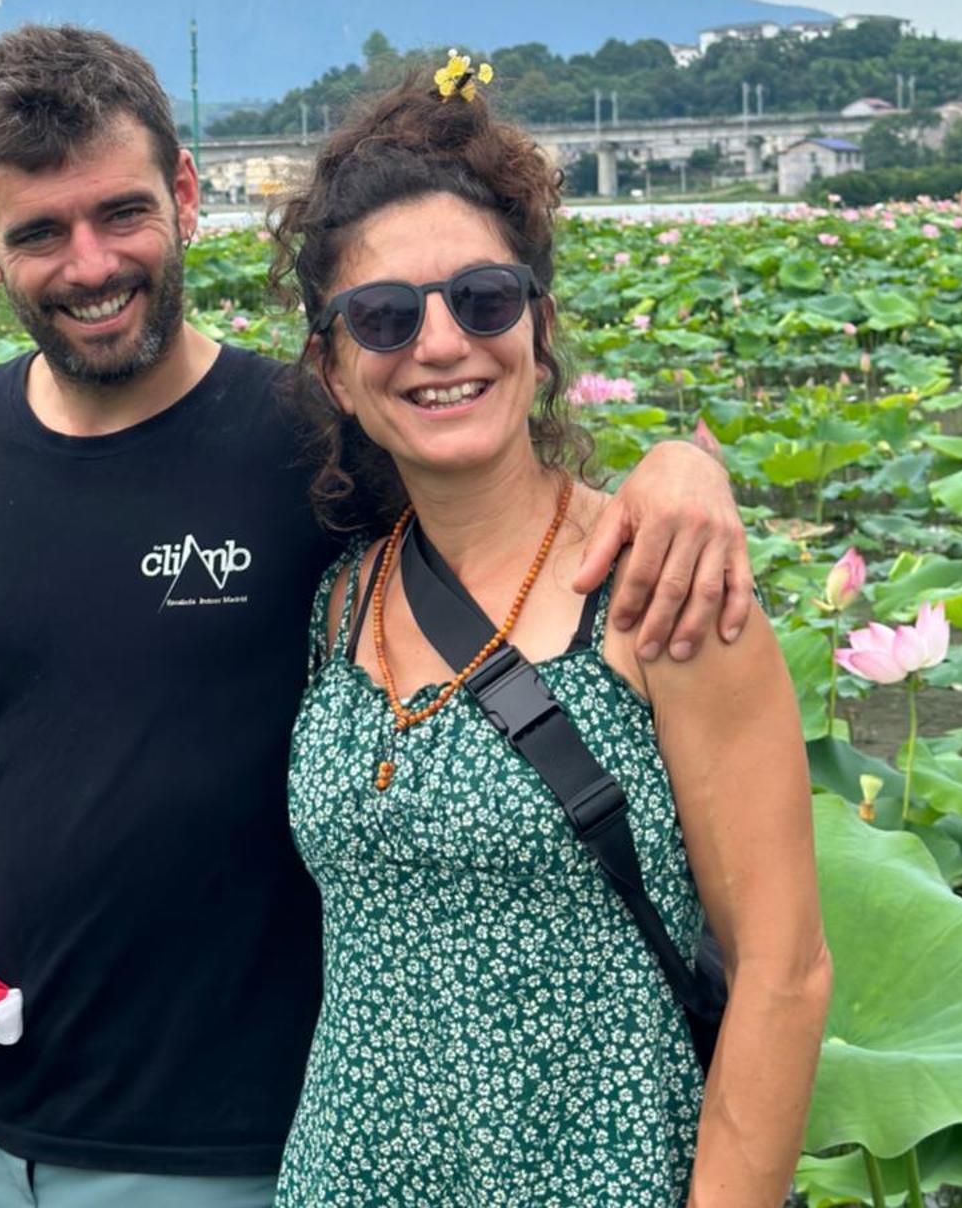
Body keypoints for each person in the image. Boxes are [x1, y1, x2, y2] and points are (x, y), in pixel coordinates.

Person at [0, 24, 758, 1207]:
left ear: (187, 193)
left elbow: (490, 449)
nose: (90, 263)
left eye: (121, 212)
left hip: (228, 1145)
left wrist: (676, 470)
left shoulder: (320, 438)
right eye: (40, 230)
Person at [269, 66, 829, 1208]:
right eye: (382, 314)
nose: (439, 342)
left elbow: (783, 973)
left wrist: (684, 459)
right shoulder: (338, 600)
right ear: (331, 362)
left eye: (482, 297)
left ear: (536, 321)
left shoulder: (660, 596)